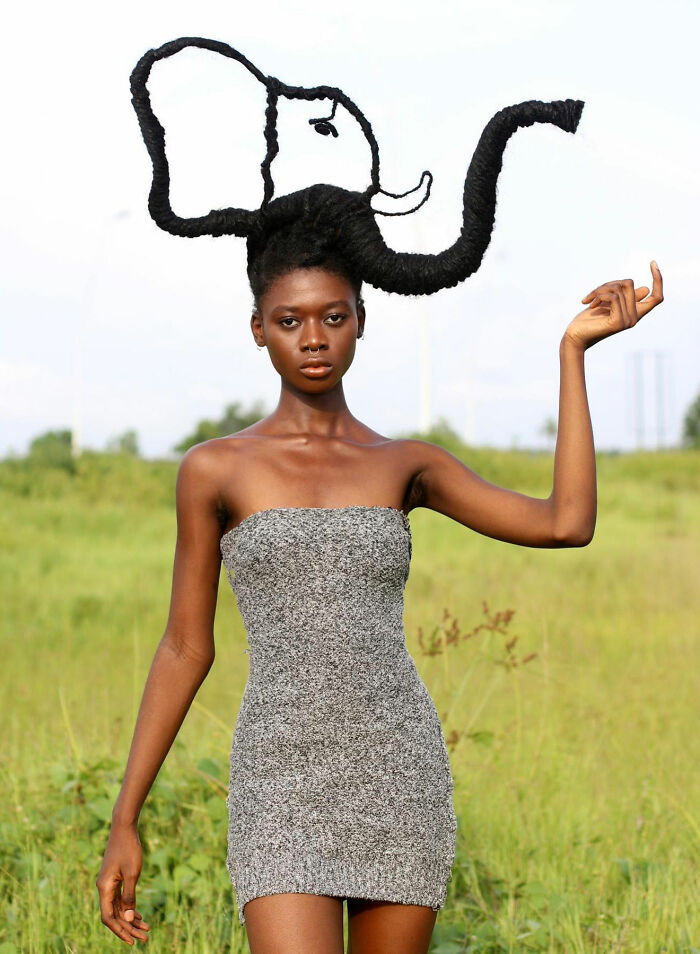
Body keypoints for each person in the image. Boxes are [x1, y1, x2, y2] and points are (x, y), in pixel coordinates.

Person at [95, 36, 665, 954]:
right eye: (290, 322)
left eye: (333, 317)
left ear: (362, 321)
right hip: (280, 780)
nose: (313, 338)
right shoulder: (215, 470)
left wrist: (573, 354)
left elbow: (567, 524)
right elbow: (182, 646)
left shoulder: (407, 464)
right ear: (258, 331)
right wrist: (126, 816)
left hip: (399, 769)